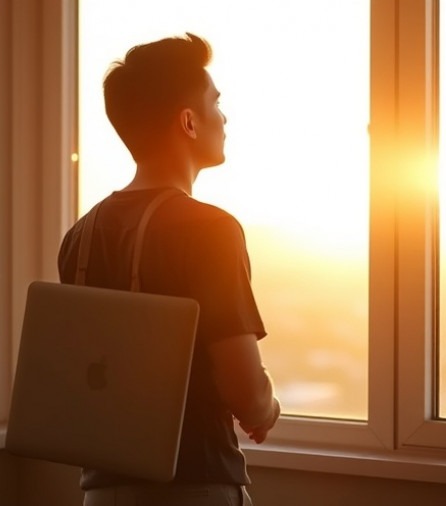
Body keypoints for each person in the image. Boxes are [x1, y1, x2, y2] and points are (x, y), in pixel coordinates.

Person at [58, 33, 280, 506]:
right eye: (215, 103)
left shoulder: (80, 236)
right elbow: (245, 390)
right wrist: (267, 406)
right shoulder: (211, 230)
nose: (224, 117)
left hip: (101, 492)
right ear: (188, 122)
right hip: (193, 487)